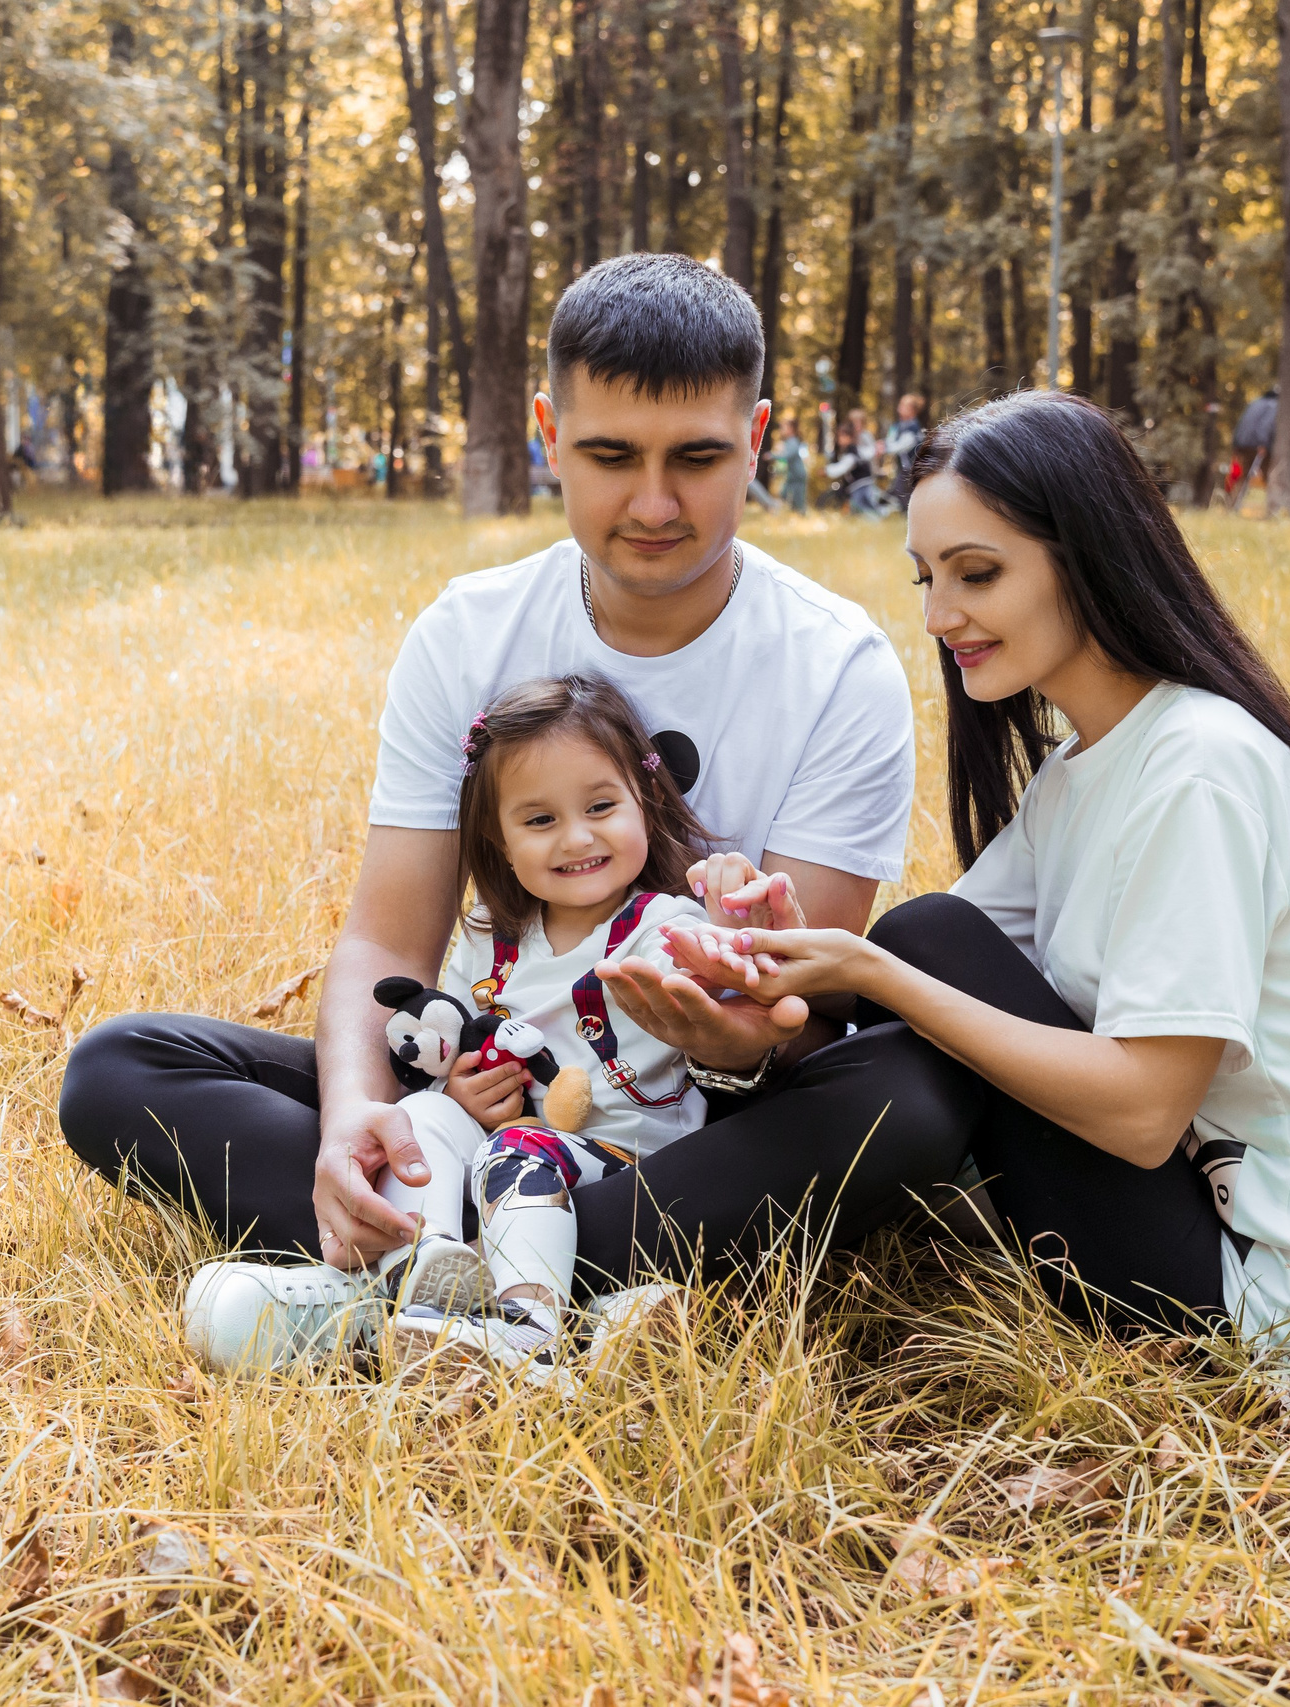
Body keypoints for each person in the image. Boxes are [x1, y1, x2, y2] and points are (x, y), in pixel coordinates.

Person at [57, 252, 965, 1370]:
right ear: (547, 432)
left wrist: (725, 1033)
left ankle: (401, 1289)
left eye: (697, 458)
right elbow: (389, 940)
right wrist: (350, 1124)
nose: (653, 503)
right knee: (119, 1070)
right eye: (608, 455)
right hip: (493, 1080)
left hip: (691, 1125)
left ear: (759, 439)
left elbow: (800, 1012)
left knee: (915, 1099)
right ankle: (549, 1293)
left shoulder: (836, 664)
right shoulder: (468, 631)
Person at [663, 390, 1290, 1368]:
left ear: (1084, 554)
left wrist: (870, 975)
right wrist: (773, 935)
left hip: (1282, 1308)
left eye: (977, 574)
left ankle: (582, 1245)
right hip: (1200, 1228)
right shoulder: (1088, 767)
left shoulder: (1198, 767)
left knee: (913, 960)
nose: (941, 616)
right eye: (926, 580)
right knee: (921, 952)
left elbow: (1143, 1112)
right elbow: (926, 969)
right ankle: (604, 1234)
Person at [346, 674, 723, 1381]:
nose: (577, 837)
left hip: (625, 1166)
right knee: (417, 1112)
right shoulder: (491, 934)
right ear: (498, 836)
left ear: (644, 800)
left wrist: (730, 934)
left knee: (519, 1146)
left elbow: (719, 998)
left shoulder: (667, 927)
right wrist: (459, 1089)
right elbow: (450, 1037)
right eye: (540, 820)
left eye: (602, 806)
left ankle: (531, 1330)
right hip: (494, 1166)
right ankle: (422, 1269)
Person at [771, 417, 812, 511]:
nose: (781, 430)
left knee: (799, 499)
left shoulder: (793, 442)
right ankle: (794, 513)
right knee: (784, 494)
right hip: (792, 474)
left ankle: (802, 516)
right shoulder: (788, 442)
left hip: (798, 474)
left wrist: (772, 455)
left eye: (783, 428)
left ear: (791, 429)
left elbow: (787, 456)